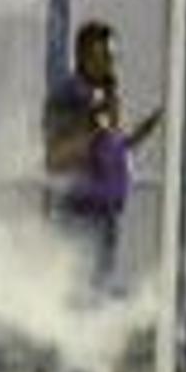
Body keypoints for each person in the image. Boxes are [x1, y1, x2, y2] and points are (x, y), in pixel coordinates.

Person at [43, 21, 160, 301]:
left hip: (105, 215)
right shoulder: (69, 96)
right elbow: (56, 156)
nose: (111, 65)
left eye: (114, 57)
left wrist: (140, 133)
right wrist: (95, 126)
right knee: (79, 296)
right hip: (78, 216)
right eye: (104, 57)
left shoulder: (105, 96)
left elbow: (111, 147)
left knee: (98, 291)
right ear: (84, 56)